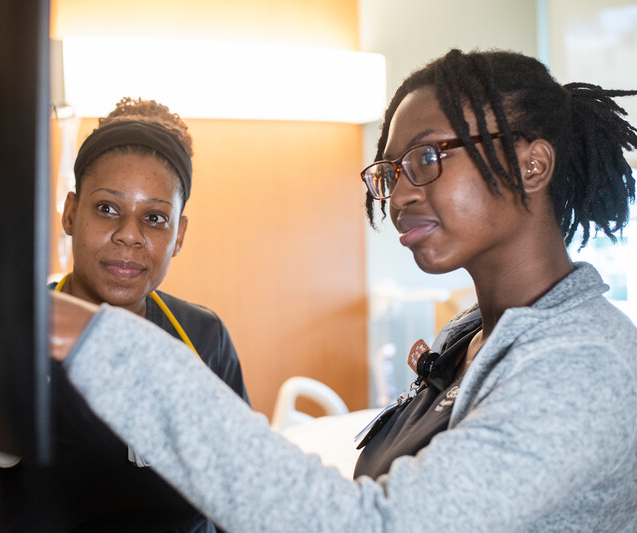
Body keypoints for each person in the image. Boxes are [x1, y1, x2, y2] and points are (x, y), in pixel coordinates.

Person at [49, 49, 637, 532]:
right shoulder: (472, 343)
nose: (399, 194)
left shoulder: (583, 365)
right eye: (389, 173)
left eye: (426, 157)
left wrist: (93, 338)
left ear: (532, 165)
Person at [0, 98, 250, 532]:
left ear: (178, 235)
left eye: (154, 217)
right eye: (108, 208)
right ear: (71, 213)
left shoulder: (204, 340)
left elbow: (243, 512)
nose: (129, 235)